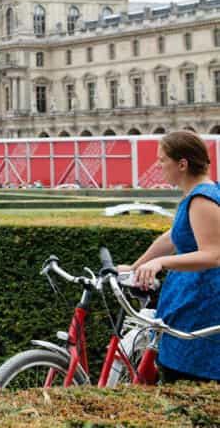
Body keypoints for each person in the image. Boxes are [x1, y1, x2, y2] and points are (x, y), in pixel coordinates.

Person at [119, 131, 220, 383]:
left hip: (201, 307)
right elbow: (173, 237)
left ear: (182, 164)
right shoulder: (198, 194)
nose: (158, 165)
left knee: (187, 381)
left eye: (163, 160)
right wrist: (135, 266)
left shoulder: (201, 199)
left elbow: (213, 254)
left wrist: (161, 262)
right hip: (192, 305)